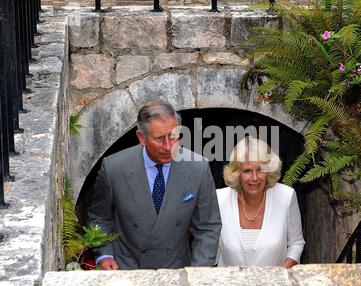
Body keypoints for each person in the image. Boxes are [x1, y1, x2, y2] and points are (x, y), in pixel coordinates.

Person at [87, 100, 222, 270]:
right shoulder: (114, 168)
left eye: (173, 136)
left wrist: (197, 272)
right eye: (159, 139)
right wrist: (105, 254)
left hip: (176, 270)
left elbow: (208, 227)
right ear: (141, 138)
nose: (168, 146)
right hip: (127, 269)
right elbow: (100, 217)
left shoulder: (198, 167)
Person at [216, 137, 305, 268]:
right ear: (236, 173)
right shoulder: (220, 199)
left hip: (275, 285)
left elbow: (296, 244)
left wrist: (280, 275)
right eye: (247, 171)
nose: (255, 178)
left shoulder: (286, 196)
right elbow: (210, 249)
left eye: (260, 169)